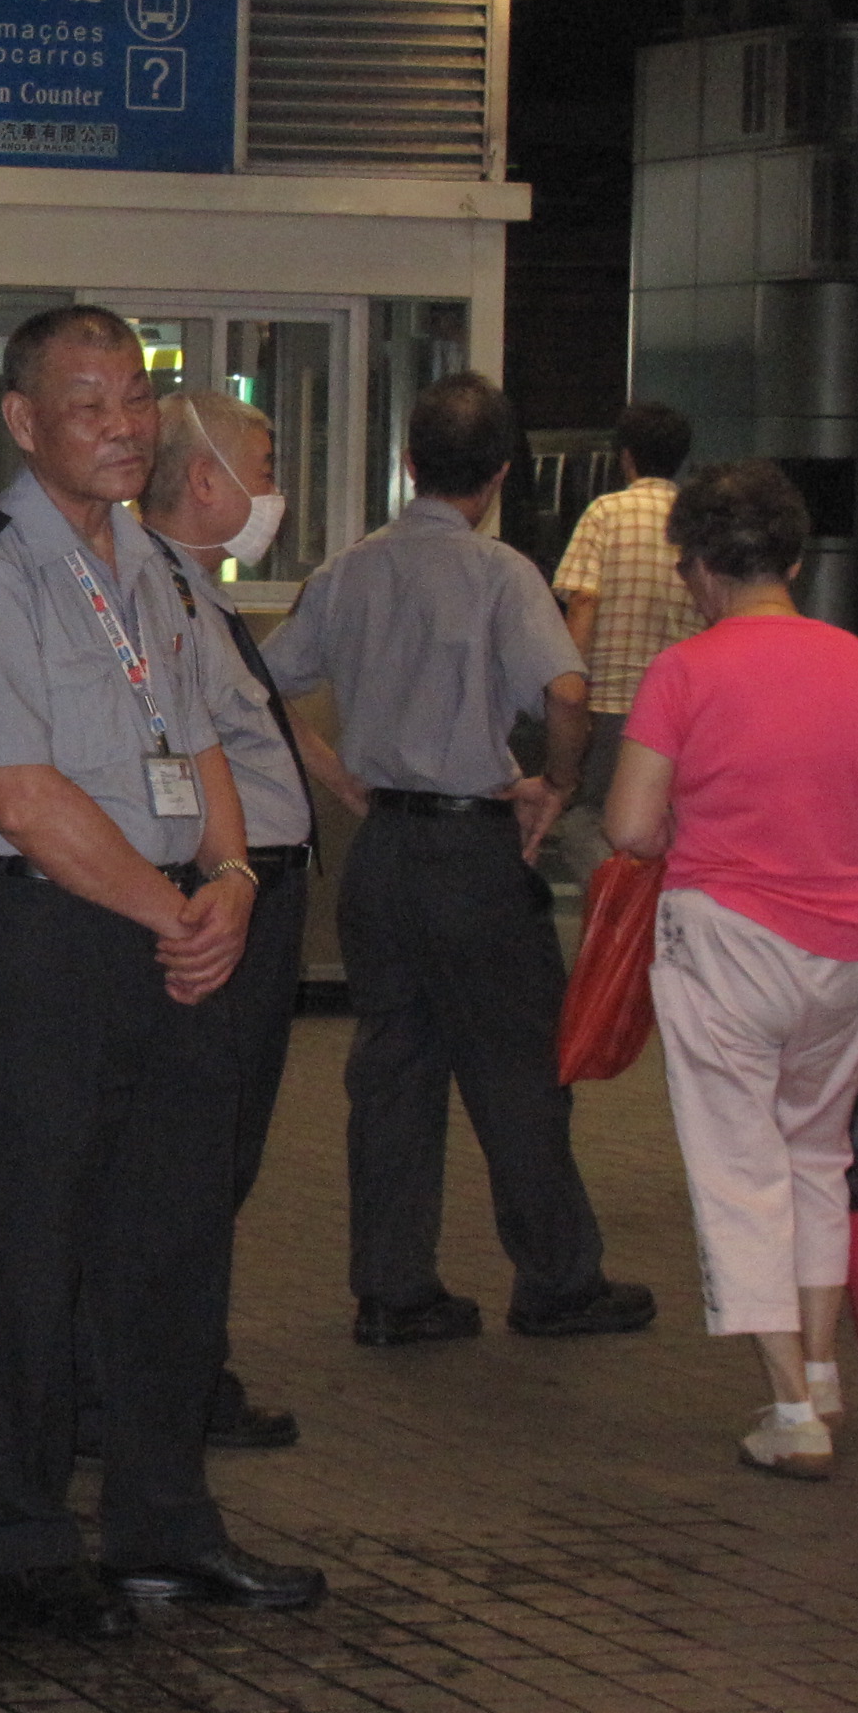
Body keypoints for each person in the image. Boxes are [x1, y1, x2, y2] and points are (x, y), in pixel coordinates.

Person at [0, 305, 324, 1640]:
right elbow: (23, 798)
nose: (122, 427)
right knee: (34, 1245)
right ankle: (21, 1546)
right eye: (87, 404)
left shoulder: (156, 566)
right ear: (25, 421)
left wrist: (234, 877)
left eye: (137, 399)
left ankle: (164, 1526)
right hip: (45, 941)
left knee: (176, 1237)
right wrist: (179, 911)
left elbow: (201, 741)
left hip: (173, 928)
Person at [265, 372, 656, 1345]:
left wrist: (339, 777)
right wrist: (557, 783)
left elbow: (257, 687)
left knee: (392, 1070)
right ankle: (558, 1280)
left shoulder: (347, 572)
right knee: (518, 1066)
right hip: (472, 852)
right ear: (501, 474)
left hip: (383, 851)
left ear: (408, 463)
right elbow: (567, 690)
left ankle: (394, 1291)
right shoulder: (502, 575)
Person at [602, 461, 858, 1481]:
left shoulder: (684, 674)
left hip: (724, 941)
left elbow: (628, 826)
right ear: (794, 563)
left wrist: (686, 827)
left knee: (738, 1166)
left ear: (699, 568)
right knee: (814, 1154)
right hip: (852, 949)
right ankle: (823, 1368)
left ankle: (793, 1408)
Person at [140, 390, 327, 1451]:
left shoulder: (196, 595)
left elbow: (257, 734)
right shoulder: (159, 594)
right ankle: (170, 1388)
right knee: (201, 1158)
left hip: (255, 886)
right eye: (264, 468)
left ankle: (177, 1377)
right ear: (204, 480)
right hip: (224, 895)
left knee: (223, 1155)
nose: (274, 492)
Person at [550, 402, 696, 870]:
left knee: (591, 819)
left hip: (612, 704)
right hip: (687, 709)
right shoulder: (697, 523)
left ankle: (616, 906)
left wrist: (571, 684)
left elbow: (583, 601)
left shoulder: (605, 513)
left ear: (626, 457)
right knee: (671, 826)